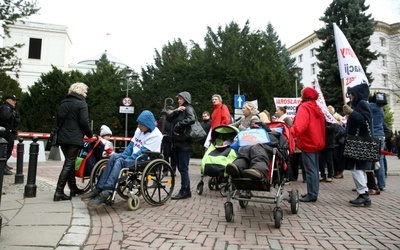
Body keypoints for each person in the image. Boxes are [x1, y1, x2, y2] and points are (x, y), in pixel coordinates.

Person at [81, 110, 163, 207]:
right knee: (114, 156)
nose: (138, 126)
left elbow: (143, 152)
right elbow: (131, 146)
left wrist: (125, 159)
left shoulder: (156, 135)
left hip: (144, 159)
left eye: (140, 124)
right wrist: (123, 155)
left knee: (119, 161)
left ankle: (107, 191)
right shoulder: (139, 130)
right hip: (133, 156)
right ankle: (98, 188)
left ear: (147, 124)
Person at [54, 82, 93, 201]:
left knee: (69, 163)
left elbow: (58, 120)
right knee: (69, 163)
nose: (86, 94)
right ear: (80, 91)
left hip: (62, 137)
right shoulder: (81, 104)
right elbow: (84, 121)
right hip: (73, 138)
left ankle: (73, 188)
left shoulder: (63, 103)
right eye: (85, 92)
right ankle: (58, 191)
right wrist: (90, 134)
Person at [290, 87, 325, 202]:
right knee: (314, 169)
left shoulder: (304, 107)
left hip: (308, 141)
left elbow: (301, 125)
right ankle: (313, 192)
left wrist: (291, 132)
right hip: (316, 141)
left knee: (310, 169)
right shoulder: (316, 107)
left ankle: (312, 194)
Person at [343, 83, 374, 206]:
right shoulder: (361, 104)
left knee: (356, 168)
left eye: (351, 93)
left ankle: (363, 193)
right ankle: (363, 192)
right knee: (358, 168)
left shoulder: (362, 104)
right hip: (359, 140)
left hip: (359, 141)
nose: (350, 96)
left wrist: (352, 113)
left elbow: (365, 120)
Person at [167, 91, 196, 199]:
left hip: (184, 143)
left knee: (183, 168)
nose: (178, 100)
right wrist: (176, 111)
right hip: (178, 143)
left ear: (185, 99)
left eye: (180, 99)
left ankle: (185, 191)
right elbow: (169, 118)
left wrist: (178, 126)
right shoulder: (179, 109)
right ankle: (185, 190)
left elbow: (191, 119)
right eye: (178, 99)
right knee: (181, 168)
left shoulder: (188, 108)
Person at [369, 93, 386, 192]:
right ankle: (382, 184)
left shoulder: (372, 107)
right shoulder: (380, 110)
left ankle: (371, 184)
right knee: (381, 162)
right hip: (380, 136)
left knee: (373, 162)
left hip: (374, 137)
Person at [0, 94, 20, 175]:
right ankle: (2, 167)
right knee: (6, 150)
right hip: (6, 133)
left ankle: (4, 165)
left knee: (8, 149)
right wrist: (13, 115)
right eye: (13, 100)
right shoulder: (6, 108)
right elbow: (5, 117)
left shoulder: (10, 108)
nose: (15, 102)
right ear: (8, 100)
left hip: (9, 132)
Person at [157, 106, 177, 175]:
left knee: (174, 156)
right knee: (166, 155)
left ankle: (173, 171)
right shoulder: (163, 119)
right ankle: (165, 170)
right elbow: (160, 129)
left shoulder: (175, 119)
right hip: (166, 140)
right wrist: (165, 133)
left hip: (174, 140)